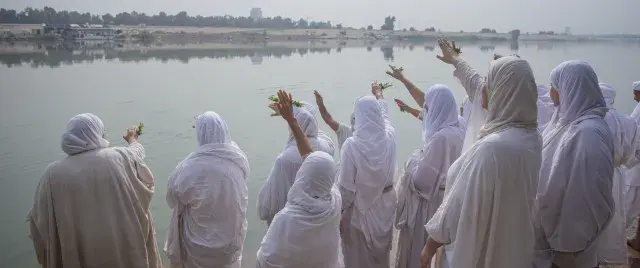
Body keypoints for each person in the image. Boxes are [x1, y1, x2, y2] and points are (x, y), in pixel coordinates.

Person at [421, 40, 541, 268]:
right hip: (512, 250)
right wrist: (455, 60)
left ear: (503, 92)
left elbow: (456, 206)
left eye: (490, 82)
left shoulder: (492, 148)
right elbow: (477, 86)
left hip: (477, 249)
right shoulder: (531, 136)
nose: (483, 88)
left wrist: (430, 245)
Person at [28, 113, 162, 268]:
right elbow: (138, 157)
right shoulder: (117, 157)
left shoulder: (52, 174)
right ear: (95, 134)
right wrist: (132, 138)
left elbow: (39, 222)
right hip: (123, 249)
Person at [533, 61, 614, 268]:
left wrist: (566, 248)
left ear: (569, 88)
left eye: (555, 85)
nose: (550, 91)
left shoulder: (588, 133)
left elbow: (588, 197)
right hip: (550, 241)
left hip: (568, 251)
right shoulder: (565, 123)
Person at [256, 90, 342, 268]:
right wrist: (291, 119)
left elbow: (265, 259)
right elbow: (309, 156)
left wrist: (291, 119)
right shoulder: (334, 200)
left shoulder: (287, 218)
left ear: (304, 173)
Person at [164, 111, 250, 268]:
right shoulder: (238, 161)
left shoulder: (188, 168)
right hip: (230, 248)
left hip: (197, 249)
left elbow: (171, 199)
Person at [394, 84, 464, 268]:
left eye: (427, 107)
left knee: (421, 252)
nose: (425, 111)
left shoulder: (440, 138)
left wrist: (413, 160)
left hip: (431, 204)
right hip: (450, 199)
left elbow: (421, 182)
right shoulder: (460, 127)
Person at [339, 82, 397, 268]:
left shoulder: (352, 146)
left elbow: (346, 190)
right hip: (386, 208)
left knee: (358, 259)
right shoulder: (390, 136)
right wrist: (379, 95)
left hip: (360, 214)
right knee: (381, 260)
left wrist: (336, 213)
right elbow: (385, 115)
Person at [257, 101, 335, 225]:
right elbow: (309, 123)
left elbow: (266, 207)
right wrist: (291, 115)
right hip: (320, 219)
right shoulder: (326, 146)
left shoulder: (285, 160)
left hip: (291, 223)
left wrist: (290, 117)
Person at [595, 83, 640, 267]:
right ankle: (610, 255)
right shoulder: (625, 121)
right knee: (616, 217)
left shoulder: (588, 119)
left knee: (593, 217)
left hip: (593, 174)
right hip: (617, 175)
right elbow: (635, 153)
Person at [313, 90, 355, 155]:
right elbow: (329, 120)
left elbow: (329, 120)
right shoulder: (345, 130)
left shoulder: (346, 130)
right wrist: (321, 105)